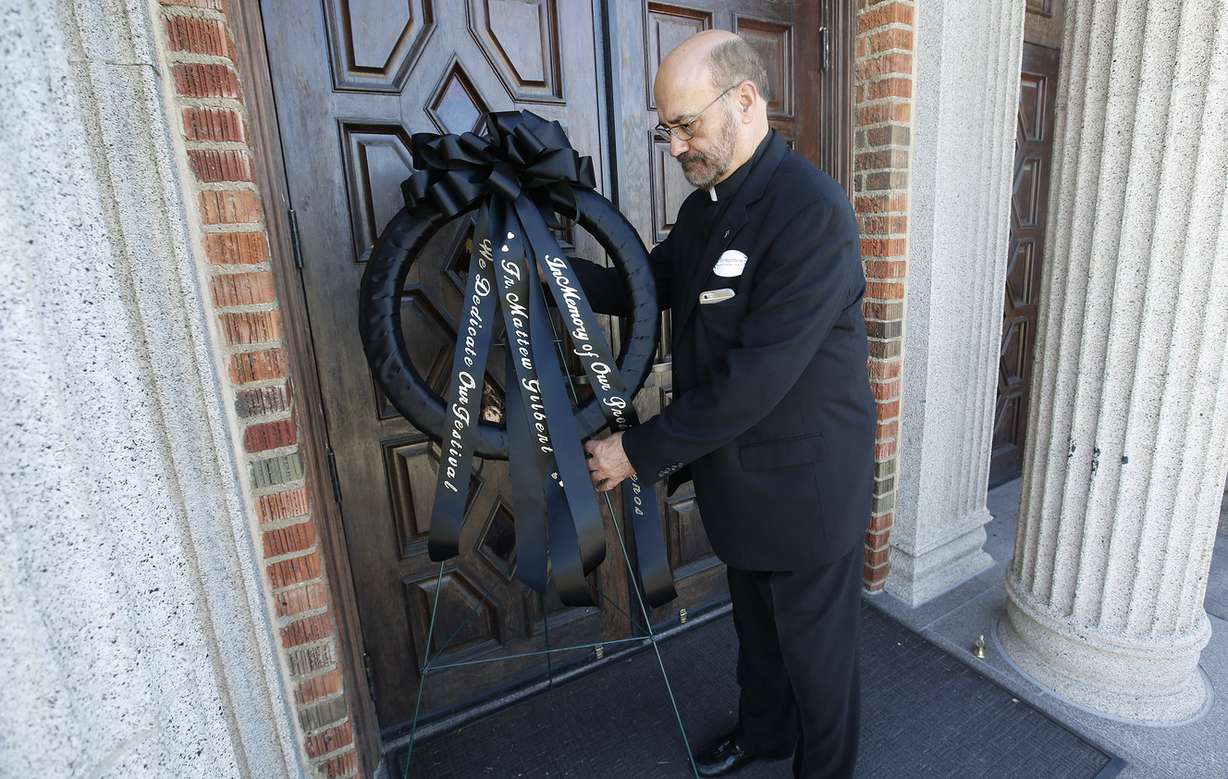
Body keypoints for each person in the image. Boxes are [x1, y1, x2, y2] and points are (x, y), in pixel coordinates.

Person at [572, 30, 875, 779]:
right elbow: (641, 287)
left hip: (807, 486)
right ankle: (764, 735)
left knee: (818, 658)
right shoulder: (707, 208)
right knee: (758, 634)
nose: (674, 146)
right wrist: (548, 270)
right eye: (666, 127)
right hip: (739, 478)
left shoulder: (812, 212)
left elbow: (755, 380)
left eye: (686, 125)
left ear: (744, 100)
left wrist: (634, 453)